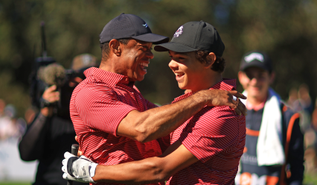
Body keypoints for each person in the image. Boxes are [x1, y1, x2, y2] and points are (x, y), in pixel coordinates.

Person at [62, 20, 246, 185]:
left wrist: (90, 171)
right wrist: (203, 97)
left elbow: (159, 167)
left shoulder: (221, 110)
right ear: (116, 47)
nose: (168, 63)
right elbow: (144, 128)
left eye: (180, 58)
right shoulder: (91, 91)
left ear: (209, 60)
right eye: (144, 48)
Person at [18, 53, 97, 185]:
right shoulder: (52, 112)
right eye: (80, 78)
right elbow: (26, 154)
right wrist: (45, 111)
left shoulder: (99, 114)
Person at [234, 51, 304, 185]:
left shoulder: (288, 118)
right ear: (241, 77)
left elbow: (296, 168)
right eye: (250, 76)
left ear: (271, 77)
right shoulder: (230, 112)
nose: (254, 81)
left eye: (261, 76)